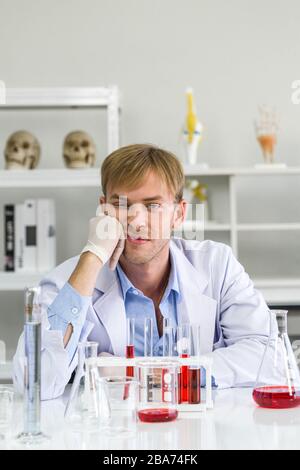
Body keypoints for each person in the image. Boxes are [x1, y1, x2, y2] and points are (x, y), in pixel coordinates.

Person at [13, 144, 270, 400]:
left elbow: (270, 356)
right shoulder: (69, 281)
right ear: (103, 210)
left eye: (153, 206)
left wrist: (143, 373)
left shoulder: (217, 264)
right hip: (113, 436)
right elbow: (33, 382)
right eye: (121, 205)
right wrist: (91, 257)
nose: (136, 221)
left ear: (179, 214)